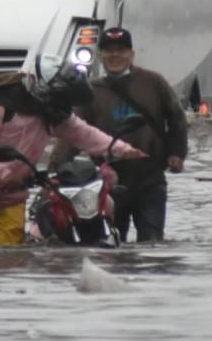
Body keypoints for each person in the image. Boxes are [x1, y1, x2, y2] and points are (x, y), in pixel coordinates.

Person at [0, 54, 146, 246]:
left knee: (8, 257)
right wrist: (3, 174)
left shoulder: (51, 112)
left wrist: (123, 150)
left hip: (10, 197)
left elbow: (83, 133)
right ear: (43, 90)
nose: (64, 105)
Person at [52, 27, 188, 242]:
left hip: (150, 178)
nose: (115, 56)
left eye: (121, 50)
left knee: (152, 243)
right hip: (108, 182)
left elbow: (177, 118)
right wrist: (56, 171)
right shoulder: (90, 91)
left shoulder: (153, 82)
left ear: (131, 55)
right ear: (100, 56)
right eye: (109, 51)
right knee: (112, 243)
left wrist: (177, 154)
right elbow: (74, 134)